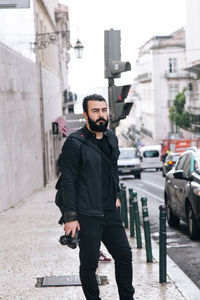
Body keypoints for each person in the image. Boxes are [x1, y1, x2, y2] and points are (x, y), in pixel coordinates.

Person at [60, 94, 135, 300]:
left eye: (103, 110)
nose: (101, 115)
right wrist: (70, 217)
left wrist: (116, 194)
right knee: (89, 265)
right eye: (95, 111)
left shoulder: (111, 137)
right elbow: (68, 181)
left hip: (110, 212)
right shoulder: (74, 143)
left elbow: (113, 170)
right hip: (87, 214)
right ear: (85, 115)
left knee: (124, 256)